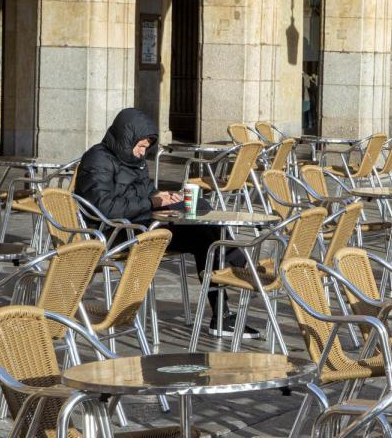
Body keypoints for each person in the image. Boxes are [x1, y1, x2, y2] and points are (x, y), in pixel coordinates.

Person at [75, 108, 258, 338]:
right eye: (140, 146)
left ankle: (223, 312)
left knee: (205, 230)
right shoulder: (97, 159)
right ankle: (244, 271)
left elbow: (146, 193)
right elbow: (104, 207)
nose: (142, 153)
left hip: (141, 225)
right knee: (203, 236)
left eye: (146, 148)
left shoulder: (135, 161)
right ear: (125, 139)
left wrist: (167, 198)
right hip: (114, 233)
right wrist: (152, 201)